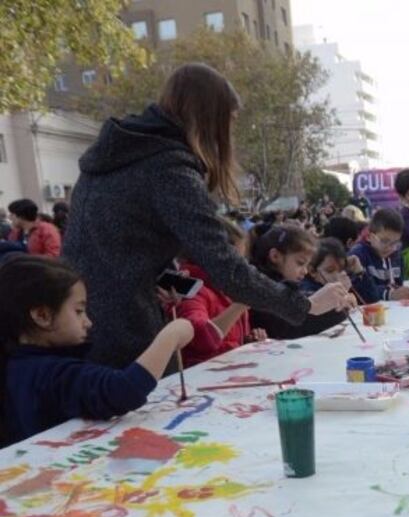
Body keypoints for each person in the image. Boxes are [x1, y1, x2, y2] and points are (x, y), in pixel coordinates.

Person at [62, 63, 346, 368]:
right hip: (124, 329)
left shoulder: (121, 155)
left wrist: (160, 272)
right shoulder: (167, 167)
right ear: (211, 120)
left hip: (79, 314)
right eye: (230, 122)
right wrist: (304, 304)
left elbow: (116, 243)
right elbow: (226, 266)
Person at [1, 256, 193, 447]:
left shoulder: (18, 363)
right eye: (78, 311)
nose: (88, 322)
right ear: (42, 316)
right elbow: (124, 391)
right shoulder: (53, 372)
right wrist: (171, 336)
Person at [176, 217, 262, 367]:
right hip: (200, 379)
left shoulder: (226, 289)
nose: (242, 268)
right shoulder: (190, 289)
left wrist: (249, 340)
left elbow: (230, 340)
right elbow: (202, 338)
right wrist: (240, 305)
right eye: (236, 261)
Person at [248, 225, 352, 340]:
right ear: (275, 256)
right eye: (300, 263)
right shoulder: (261, 286)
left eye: (307, 265)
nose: (305, 271)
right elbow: (290, 327)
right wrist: (337, 310)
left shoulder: (283, 283)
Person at [349, 208, 409, 302]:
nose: (390, 248)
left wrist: (401, 292)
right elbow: (358, 291)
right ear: (370, 237)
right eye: (384, 241)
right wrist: (389, 294)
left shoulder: (397, 255)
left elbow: (398, 285)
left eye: (395, 242)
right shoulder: (358, 256)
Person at [301, 237, 380, 304]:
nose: (337, 276)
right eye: (330, 271)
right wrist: (341, 293)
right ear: (312, 271)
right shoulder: (306, 288)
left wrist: (360, 272)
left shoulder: (346, 277)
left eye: (341, 269)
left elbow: (372, 299)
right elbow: (319, 312)